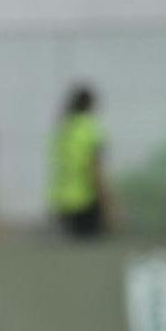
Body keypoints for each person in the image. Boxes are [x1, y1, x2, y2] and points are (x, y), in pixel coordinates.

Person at [50, 84, 108, 237]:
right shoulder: (89, 129)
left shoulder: (64, 129)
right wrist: (107, 202)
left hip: (61, 199)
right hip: (85, 200)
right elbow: (94, 168)